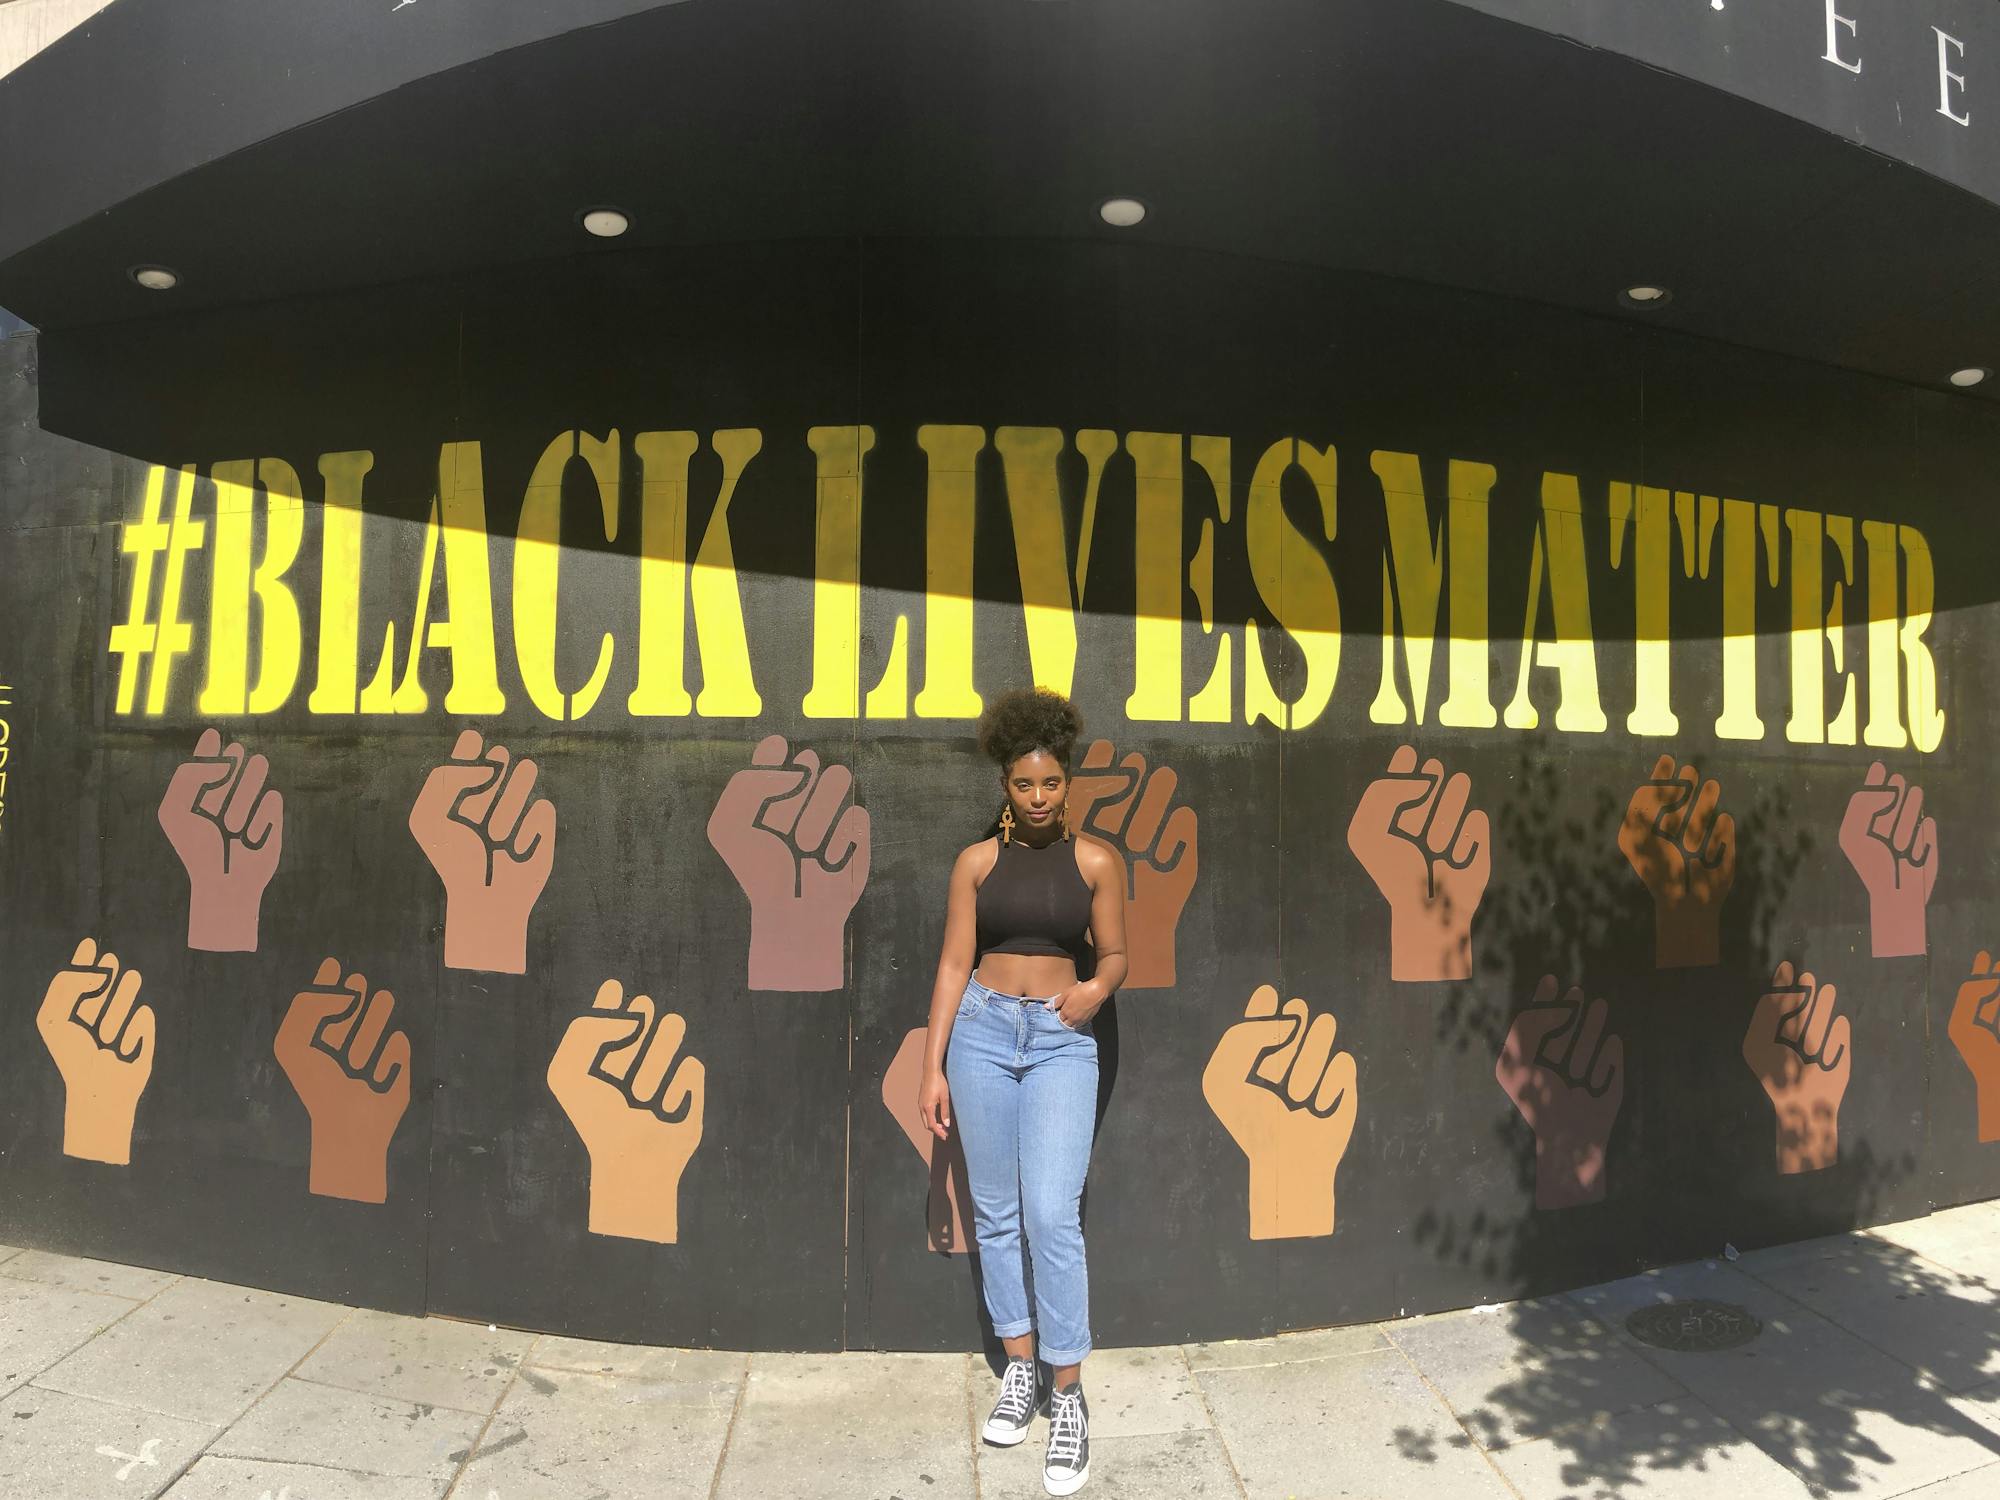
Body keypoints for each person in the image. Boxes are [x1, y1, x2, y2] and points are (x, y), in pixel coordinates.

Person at [918, 687, 1129, 1497]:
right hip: (978, 1030)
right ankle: (1019, 1369)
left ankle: (1067, 1393)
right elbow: (951, 965)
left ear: (1066, 779)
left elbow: (1115, 955)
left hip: (1060, 1040)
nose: (1038, 798)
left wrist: (1092, 993)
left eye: (1049, 784)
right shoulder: (975, 864)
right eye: (1022, 786)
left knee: (1050, 1212)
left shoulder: (1097, 861)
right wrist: (934, 1064)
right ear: (1004, 785)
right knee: (997, 1212)